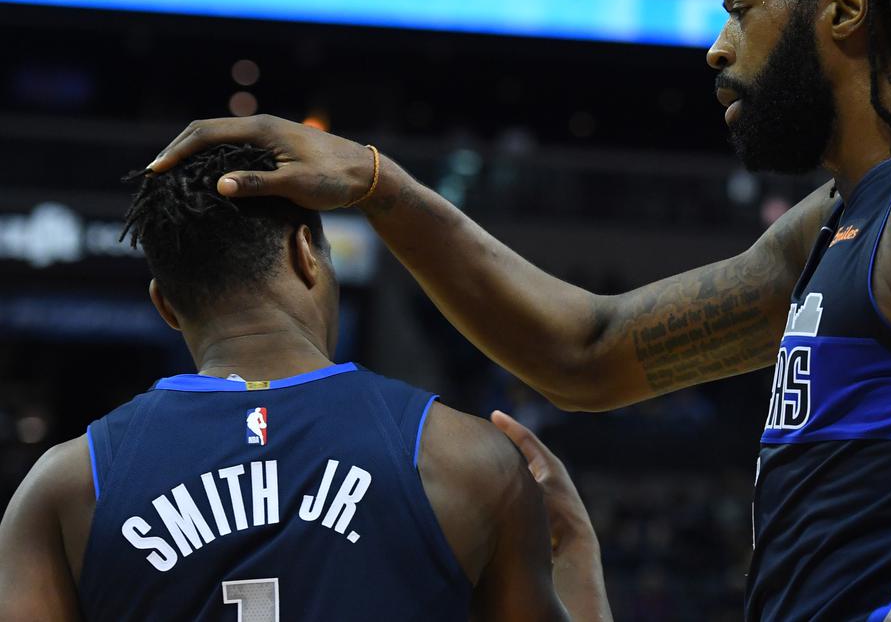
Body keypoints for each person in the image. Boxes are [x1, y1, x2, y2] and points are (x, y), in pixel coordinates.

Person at [143, 0, 891, 618]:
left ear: (846, 8)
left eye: (743, 9)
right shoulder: (843, 220)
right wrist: (380, 184)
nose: (717, 48)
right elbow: (588, 349)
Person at [0, 144, 611, 621]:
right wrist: (577, 552)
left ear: (165, 304)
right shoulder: (470, 459)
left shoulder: (64, 487)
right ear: (306, 252)